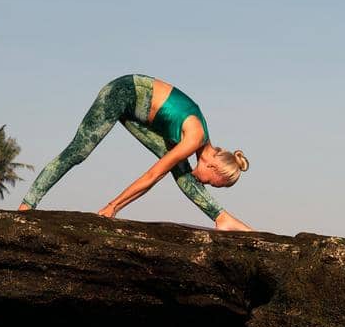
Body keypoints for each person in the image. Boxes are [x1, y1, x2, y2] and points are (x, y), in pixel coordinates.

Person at [17, 74, 253, 231]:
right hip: (122, 93)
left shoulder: (199, 140)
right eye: (216, 184)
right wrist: (114, 206)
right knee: (78, 151)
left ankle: (221, 218)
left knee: (181, 173)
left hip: (138, 113)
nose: (209, 185)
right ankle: (27, 205)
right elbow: (153, 176)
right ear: (213, 167)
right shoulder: (194, 138)